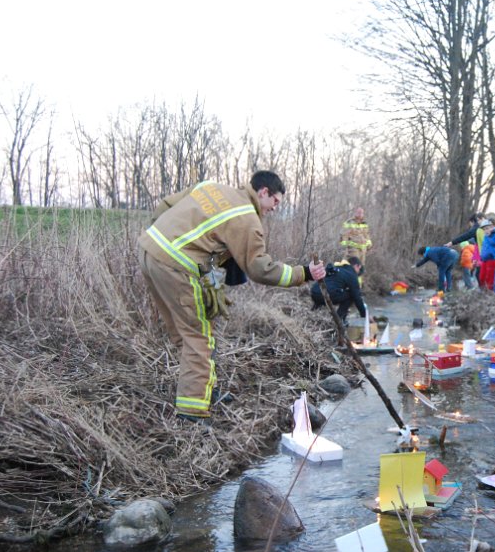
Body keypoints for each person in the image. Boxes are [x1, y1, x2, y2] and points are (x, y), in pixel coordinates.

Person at [138, 171, 327, 422]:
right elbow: (260, 268)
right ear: (263, 192)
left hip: (148, 250)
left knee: (184, 332)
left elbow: (165, 205)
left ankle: (205, 388)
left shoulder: (211, 187)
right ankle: (192, 412)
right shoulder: (246, 218)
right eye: (275, 201)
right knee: (198, 337)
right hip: (176, 266)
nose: (274, 208)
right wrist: (303, 273)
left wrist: (163, 240)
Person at [310, 257, 367, 326]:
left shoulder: (337, 268)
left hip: (314, 292)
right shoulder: (351, 274)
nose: (358, 273)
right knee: (351, 295)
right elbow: (357, 297)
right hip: (326, 295)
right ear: (357, 266)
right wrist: (364, 315)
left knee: (326, 290)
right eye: (359, 269)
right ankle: (339, 320)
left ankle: (312, 313)